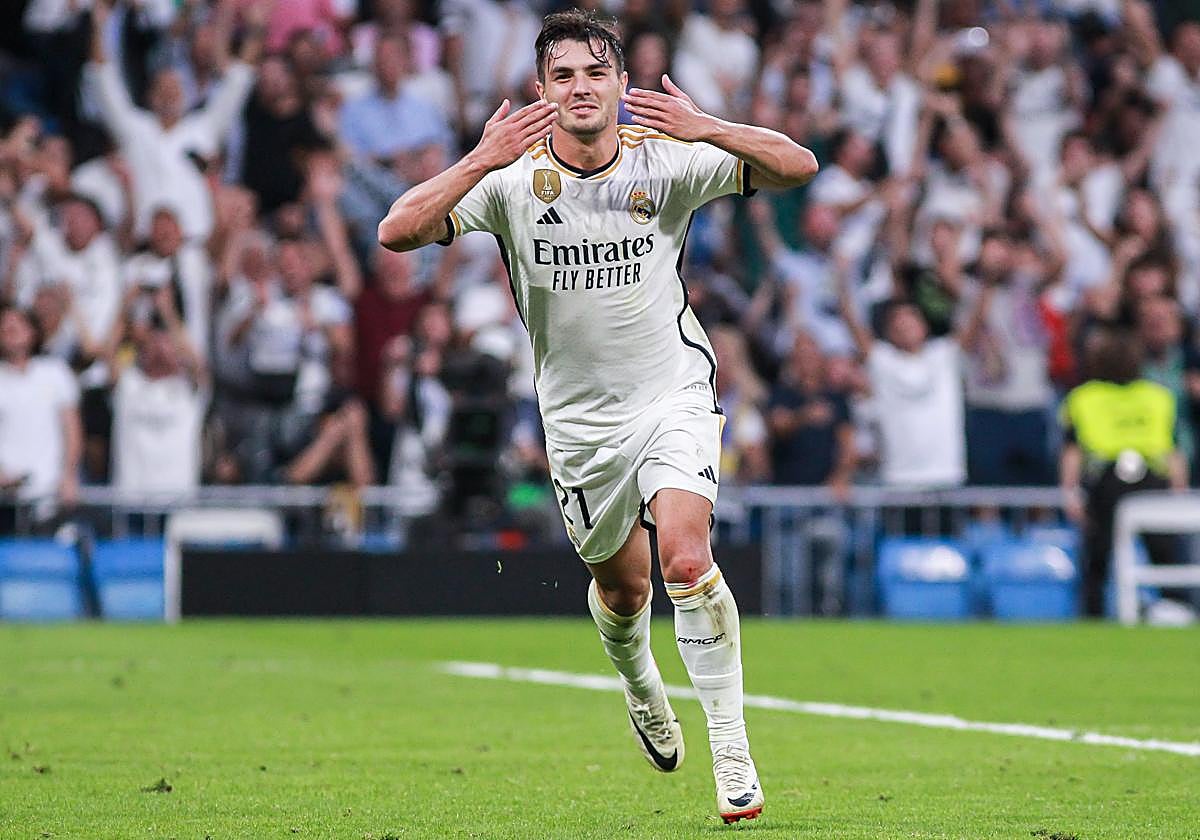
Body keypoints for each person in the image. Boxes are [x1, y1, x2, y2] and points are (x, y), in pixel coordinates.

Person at [378, 9, 818, 823]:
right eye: (564, 76)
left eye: (595, 72)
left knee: (685, 558)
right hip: (579, 425)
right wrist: (480, 157)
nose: (581, 88)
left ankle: (731, 748)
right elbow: (396, 230)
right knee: (623, 589)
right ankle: (641, 683)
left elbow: (798, 165)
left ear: (621, 83)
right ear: (541, 90)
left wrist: (709, 127)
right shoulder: (510, 179)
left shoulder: (668, 158)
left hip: (672, 393)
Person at [1060, 327, 1188, 617]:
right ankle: (1178, 608)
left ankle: (1092, 615)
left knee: (1098, 554)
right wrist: (1177, 490)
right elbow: (1174, 450)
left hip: (1107, 482)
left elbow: (1072, 452)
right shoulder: (1158, 396)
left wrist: (1070, 492)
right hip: (1150, 479)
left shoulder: (1083, 397)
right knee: (1163, 551)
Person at [0, 305, 82, 529]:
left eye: (17, 324)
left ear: (32, 331)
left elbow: (72, 429)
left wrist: (69, 475)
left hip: (49, 494)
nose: (10, 330)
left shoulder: (55, 373)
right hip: (6, 499)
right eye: (4, 326)